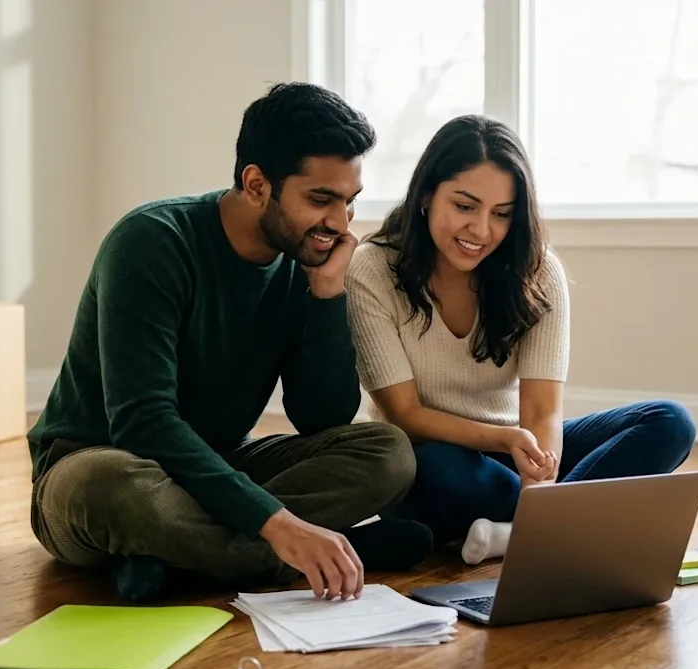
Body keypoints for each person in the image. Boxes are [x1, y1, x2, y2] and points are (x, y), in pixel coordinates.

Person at [26, 82, 433, 604]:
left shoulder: (307, 262)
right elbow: (141, 422)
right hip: (103, 463)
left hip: (217, 465)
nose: (339, 223)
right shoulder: (151, 241)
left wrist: (328, 295)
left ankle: (173, 556)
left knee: (389, 451)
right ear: (258, 184)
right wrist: (280, 524)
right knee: (109, 486)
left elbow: (321, 417)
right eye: (320, 200)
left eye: (349, 202)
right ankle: (308, 549)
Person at [344, 115, 697, 566]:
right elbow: (406, 414)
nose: (481, 231)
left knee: (669, 422)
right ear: (427, 194)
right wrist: (505, 440)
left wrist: (539, 488)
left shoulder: (537, 271)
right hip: (435, 458)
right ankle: (574, 525)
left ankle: (522, 531)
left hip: (514, 454)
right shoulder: (372, 270)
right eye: (465, 206)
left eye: (502, 214)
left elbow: (542, 411)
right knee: (431, 466)